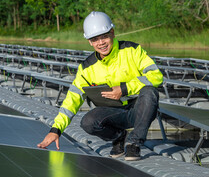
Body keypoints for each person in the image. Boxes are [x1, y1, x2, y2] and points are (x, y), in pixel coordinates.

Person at [37, 11, 163, 161]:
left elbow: (156, 76)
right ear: (90, 42)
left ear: (112, 33)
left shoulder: (132, 50)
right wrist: (56, 129)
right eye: (95, 39)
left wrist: (124, 89)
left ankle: (134, 143)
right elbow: (72, 99)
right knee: (88, 122)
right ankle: (119, 136)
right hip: (115, 114)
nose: (101, 43)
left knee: (150, 92)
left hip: (141, 110)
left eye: (104, 36)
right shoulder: (86, 68)